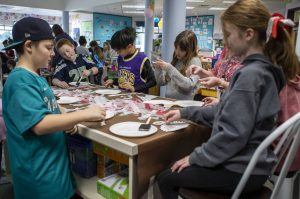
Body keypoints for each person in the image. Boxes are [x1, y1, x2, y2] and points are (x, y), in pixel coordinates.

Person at [156, 1, 299, 198]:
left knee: (165, 178)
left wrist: (195, 157)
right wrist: (185, 111)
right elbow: (224, 111)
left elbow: (232, 134)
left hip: (240, 169)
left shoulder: (250, 75)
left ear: (248, 34)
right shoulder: (264, 71)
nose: (225, 41)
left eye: (228, 34)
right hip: (254, 167)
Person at [1, 17, 106, 199]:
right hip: (39, 177)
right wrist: (84, 114)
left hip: (54, 169)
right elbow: (40, 123)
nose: (52, 54)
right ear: (28, 46)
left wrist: (65, 119)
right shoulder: (20, 81)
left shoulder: (37, 77)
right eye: (48, 48)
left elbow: (51, 108)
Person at [104, 27, 156, 94]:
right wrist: (112, 80)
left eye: (119, 51)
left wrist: (134, 88)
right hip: (122, 97)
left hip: (138, 98)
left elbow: (153, 81)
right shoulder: (120, 58)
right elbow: (122, 79)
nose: (117, 53)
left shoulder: (142, 59)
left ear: (129, 47)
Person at [153, 30, 202, 100]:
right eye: (176, 48)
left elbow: (189, 85)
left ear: (190, 49)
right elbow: (161, 83)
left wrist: (170, 68)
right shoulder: (177, 60)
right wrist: (158, 69)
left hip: (184, 106)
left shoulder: (195, 61)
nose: (177, 52)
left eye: (181, 50)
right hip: (170, 102)